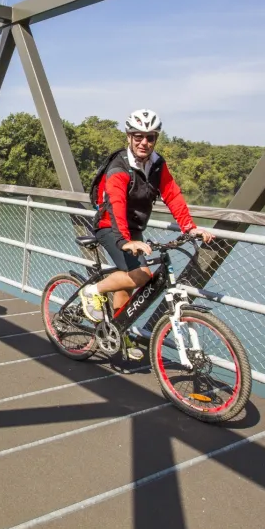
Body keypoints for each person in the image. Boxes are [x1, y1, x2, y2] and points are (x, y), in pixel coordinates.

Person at [81, 109, 214, 359]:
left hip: (132, 229)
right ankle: (93, 291)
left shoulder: (157, 164)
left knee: (130, 280)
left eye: (150, 137)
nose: (144, 142)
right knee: (141, 275)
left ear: (155, 139)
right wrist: (124, 241)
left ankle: (118, 332)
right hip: (110, 225)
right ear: (129, 137)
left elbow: (172, 194)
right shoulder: (119, 167)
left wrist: (189, 227)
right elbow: (116, 205)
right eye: (138, 136)